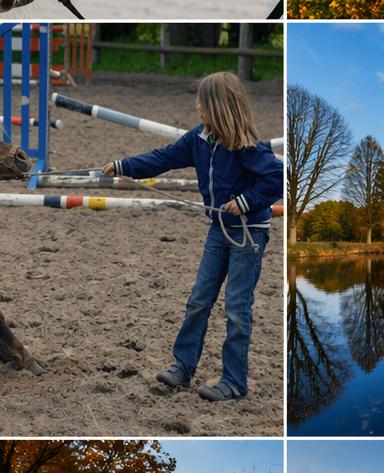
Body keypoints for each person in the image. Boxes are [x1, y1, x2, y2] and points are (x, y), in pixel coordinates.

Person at [102, 72, 282, 401]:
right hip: (218, 230)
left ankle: (234, 382)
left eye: (203, 102)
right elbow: (163, 158)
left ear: (220, 108)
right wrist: (123, 165)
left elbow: (277, 179)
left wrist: (244, 203)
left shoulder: (247, 148)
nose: (198, 107)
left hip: (249, 234)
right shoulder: (198, 139)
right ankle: (183, 367)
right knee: (199, 299)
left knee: (237, 307)